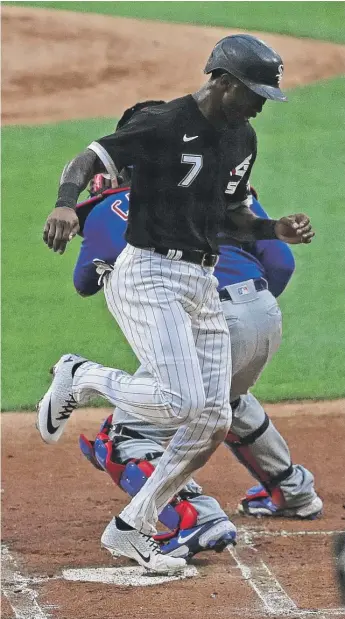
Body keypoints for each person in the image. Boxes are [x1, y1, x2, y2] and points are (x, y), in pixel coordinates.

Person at [40, 35, 315, 574]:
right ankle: (80, 374)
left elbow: (230, 216)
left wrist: (272, 227)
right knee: (178, 403)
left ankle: (133, 527)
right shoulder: (164, 123)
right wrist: (66, 207)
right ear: (222, 80)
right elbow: (87, 158)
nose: (260, 103)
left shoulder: (242, 138)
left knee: (211, 419)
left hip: (200, 279)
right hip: (151, 273)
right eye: (254, 92)